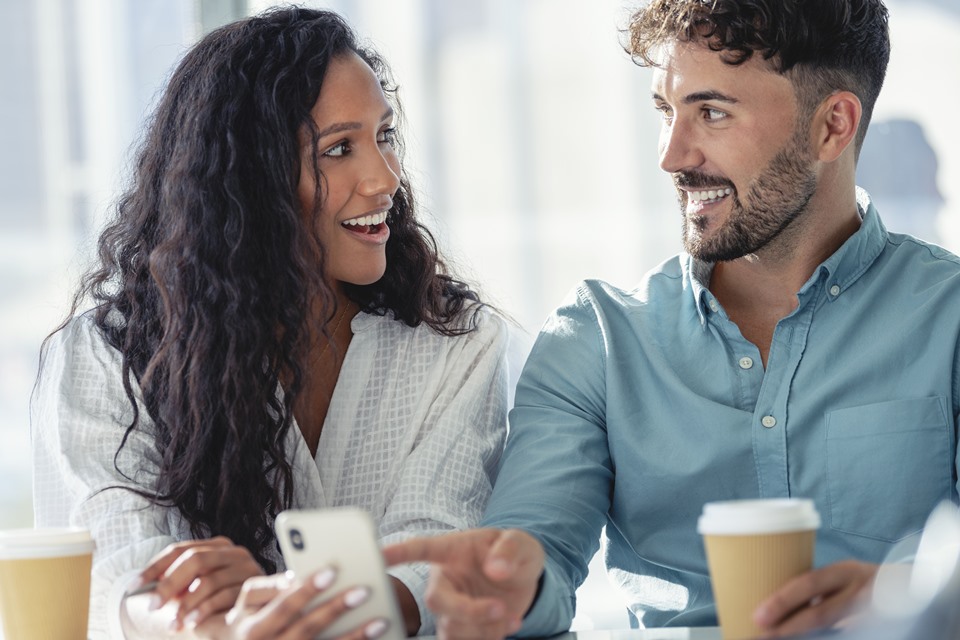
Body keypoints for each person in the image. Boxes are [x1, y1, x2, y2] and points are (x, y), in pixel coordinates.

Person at [384, 0, 960, 638]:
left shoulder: (950, 317)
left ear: (832, 126)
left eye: (712, 112)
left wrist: (904, 595)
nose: (671, 155)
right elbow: (534, 551)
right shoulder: (597, 338)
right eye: (666, 110)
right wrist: (511, 588)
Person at [30, 7, 508, 639]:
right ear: (250, 182)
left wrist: (303, 612)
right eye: (338, 149)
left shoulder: (453, 341)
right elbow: (117, 559)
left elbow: (433, 544)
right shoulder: (107, 352)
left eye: (384, 136)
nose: (384, 178)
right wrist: (201, 615)